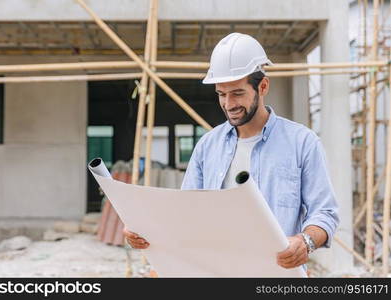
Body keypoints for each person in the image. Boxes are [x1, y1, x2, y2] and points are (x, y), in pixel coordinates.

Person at [124, 32, 339, 270]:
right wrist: (145, 228)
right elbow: (186, 213)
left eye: (237, 93)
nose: (228, 104)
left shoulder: (302, 142)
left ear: (263, 86)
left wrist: (305, 242)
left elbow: (325, 212)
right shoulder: (207, 147)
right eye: (221, 94)